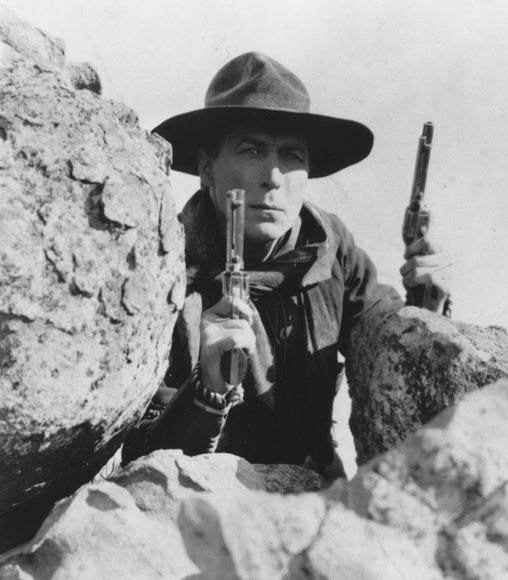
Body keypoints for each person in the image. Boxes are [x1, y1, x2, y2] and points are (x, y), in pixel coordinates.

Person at [122, 52, 451, 481]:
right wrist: (207, 390)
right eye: (252, 150)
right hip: (196, 496)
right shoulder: (162, 268)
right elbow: (137, 457)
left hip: (313, 487)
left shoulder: (331, 249)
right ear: (206, 167)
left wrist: (429, 309)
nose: (274, 176)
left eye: (292, 155)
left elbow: (391, 357)